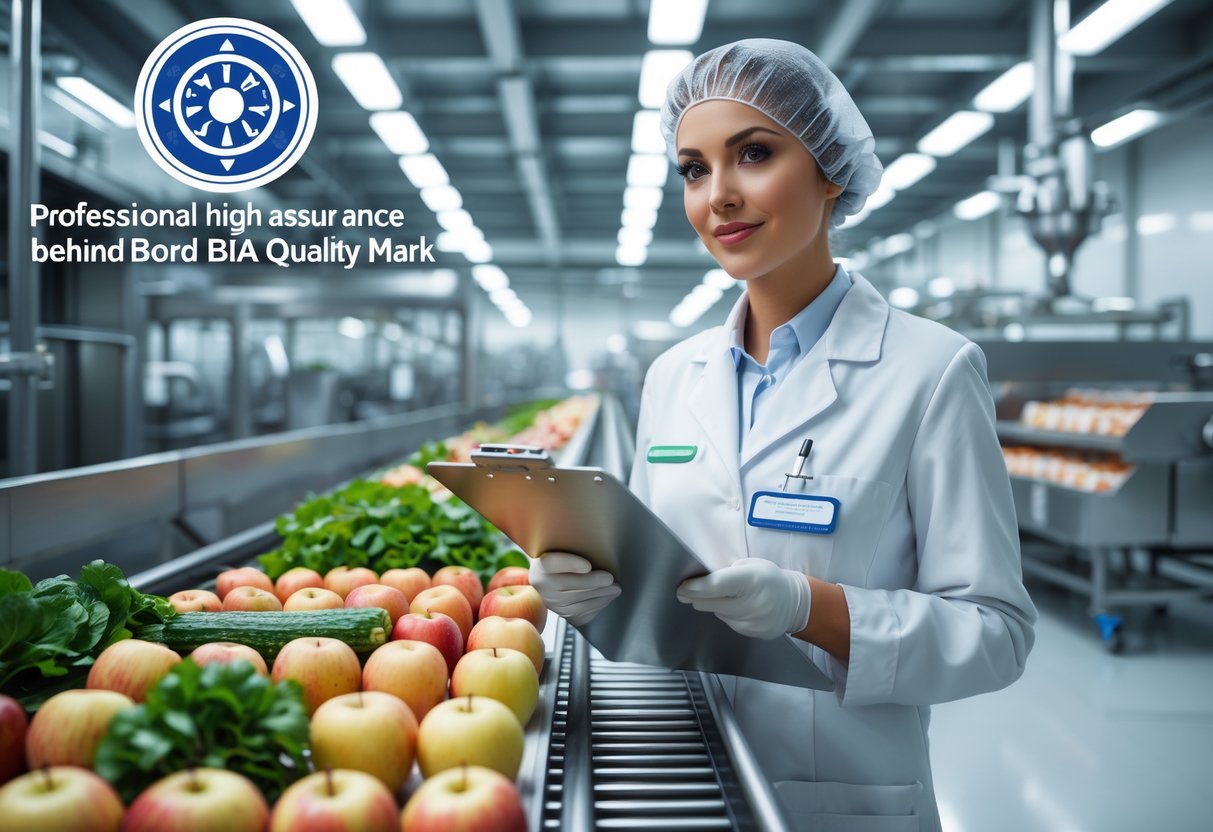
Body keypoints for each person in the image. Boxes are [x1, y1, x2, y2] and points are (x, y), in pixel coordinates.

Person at [530, 38, 1037, 832]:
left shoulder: (930, 370)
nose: (717, 196)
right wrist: (589, 599)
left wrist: (809, 608)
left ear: (831, 170)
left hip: (842, 799)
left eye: (754, 154)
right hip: (678, 783)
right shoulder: (672, 377)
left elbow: (995, 635)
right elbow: (657, 586)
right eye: (694, 169)